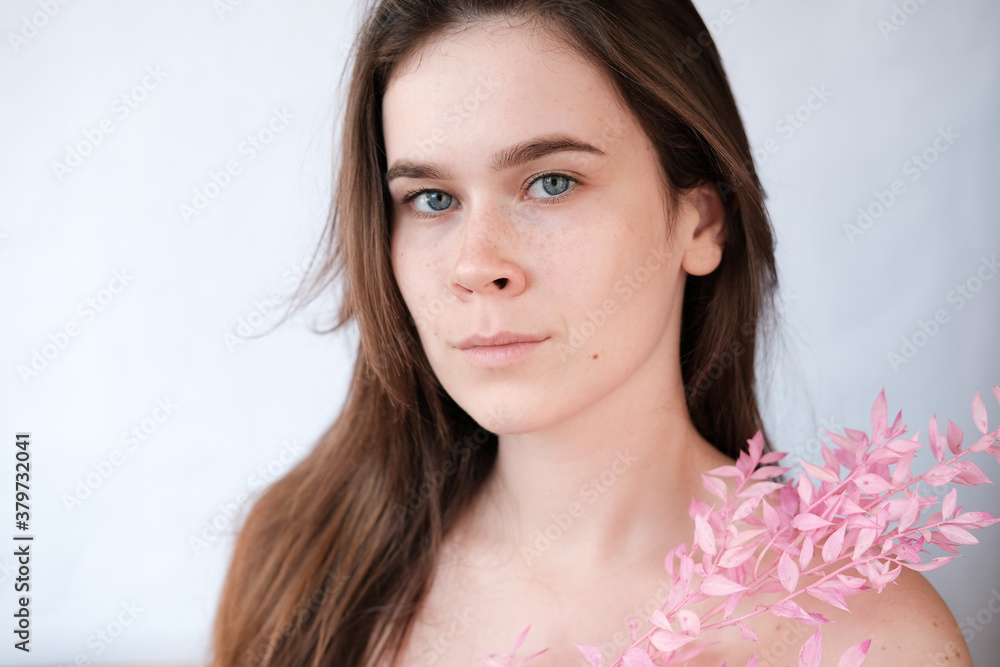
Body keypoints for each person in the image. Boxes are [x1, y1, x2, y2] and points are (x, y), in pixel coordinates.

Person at [210, 1, 971, 665]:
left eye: (551, 183)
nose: (477, 265)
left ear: (700, 220)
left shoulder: (872, 636)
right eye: (433, 198)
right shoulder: (301, 565)